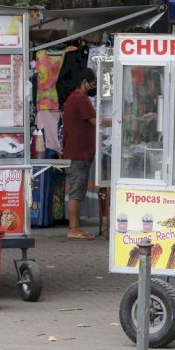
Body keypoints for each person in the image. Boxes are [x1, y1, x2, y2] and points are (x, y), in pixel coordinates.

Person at [63, 68, 97, 240]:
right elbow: (95, 121)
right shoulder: (80, 98)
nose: (93, 87)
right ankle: (73, 228)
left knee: (78, 189)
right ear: (84, 82)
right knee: (76, 190)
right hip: (78, 153)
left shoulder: (73, 98)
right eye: (92, 83)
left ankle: (75, 227)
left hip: (76, 151)